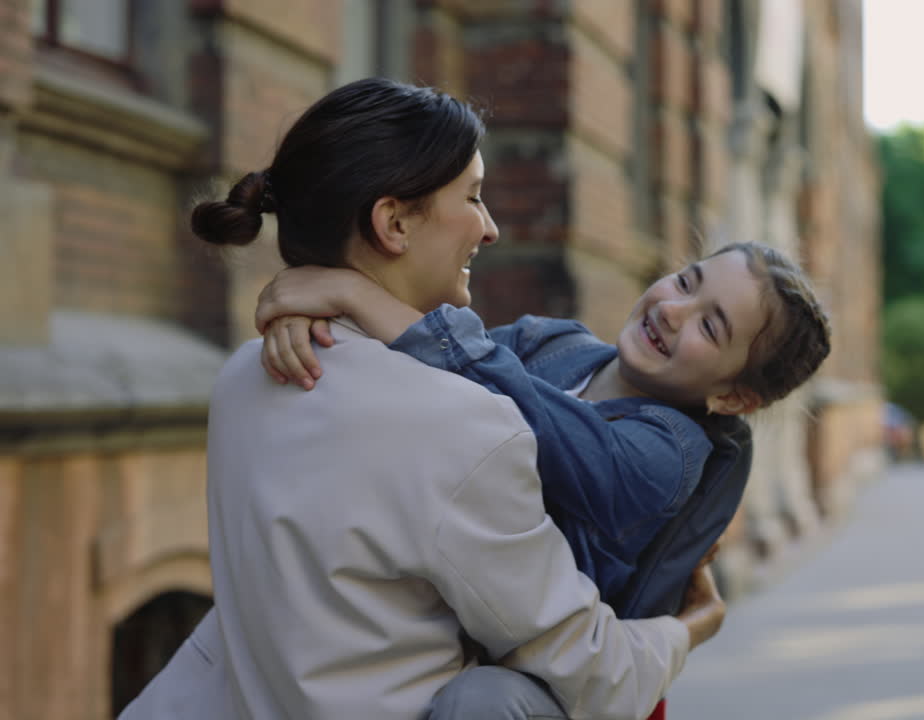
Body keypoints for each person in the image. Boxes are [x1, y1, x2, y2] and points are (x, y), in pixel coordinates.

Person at [119, 77, 726, 720]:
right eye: (473, 197)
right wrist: (688, 629)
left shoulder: (243, 376)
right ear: (395, 223)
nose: (489, 229)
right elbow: (586, 666)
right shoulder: (463, 427)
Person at [254, 241, 833, 613]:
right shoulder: (551, 341)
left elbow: (519, 412)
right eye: (686, 282)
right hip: (408, 580)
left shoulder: (670, 455)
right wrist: (326, 321)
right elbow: (415, 369)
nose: (673, 310)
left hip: (519, 653)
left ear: (732, 396)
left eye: (712, 327)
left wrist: (353, 292)